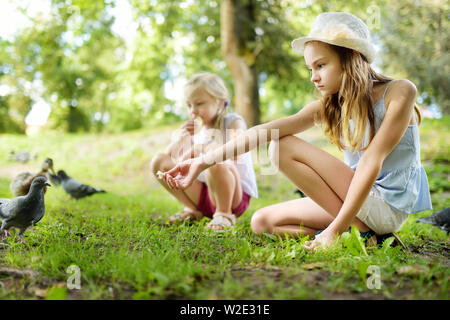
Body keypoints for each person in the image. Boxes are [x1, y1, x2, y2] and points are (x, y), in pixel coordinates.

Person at [163, 12, 432, 249]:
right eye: (310, 68)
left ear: (350, 58)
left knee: (281, 146)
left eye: (321, 65)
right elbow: (263, 130)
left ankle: (351, 232)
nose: (313, 76)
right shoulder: (330, 106)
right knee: (262, 221)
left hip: (384, 203)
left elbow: (371, 162)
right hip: (356, 200)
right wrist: (202, 161)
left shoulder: (399, 91)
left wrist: (335, 228)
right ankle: (370, 237)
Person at [151, 72, 258, 231]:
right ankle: (193, 210)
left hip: (234, 196)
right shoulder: (198, 132)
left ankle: (224, 215)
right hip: (204, 196)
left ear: (220, 103)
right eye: (189, 105)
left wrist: (199, 147)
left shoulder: (233, 122)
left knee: (216, 160)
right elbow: (174, 163)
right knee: (159, 160)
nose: (193, 111)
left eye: (199, 103)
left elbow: (237, 151)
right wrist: (180, 140)